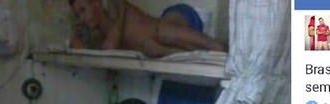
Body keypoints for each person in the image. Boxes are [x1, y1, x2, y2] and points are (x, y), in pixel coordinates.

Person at [68, 0, 225, 58]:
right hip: (160, 46)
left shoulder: (115, 7)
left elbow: (108, 51)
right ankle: (206, 52)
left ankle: (217, 45)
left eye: (83, 10)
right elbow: (86, 56)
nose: (81, 18)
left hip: (177, 18)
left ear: (95, 3)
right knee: (153, 49)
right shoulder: (100, 34)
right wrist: (75, 36)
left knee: (161, 32)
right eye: (77, 15)